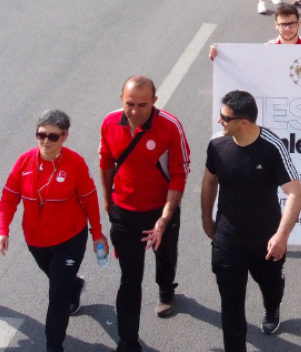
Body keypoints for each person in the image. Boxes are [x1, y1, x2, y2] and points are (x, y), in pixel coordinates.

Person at [0, 110, 108, 352]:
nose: (46, 141)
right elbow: (8, 197)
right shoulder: (25, 161)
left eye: (53, 137)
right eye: (41, 135)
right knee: (60, 281)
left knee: (57, 296)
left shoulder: (75, 163)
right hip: (36, 241)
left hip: (69, 240)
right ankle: (75, 285)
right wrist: (3, 229)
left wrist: (97, 234)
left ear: (65, 136)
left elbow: (89, 199)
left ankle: (54, 347)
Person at [201, 90, 301, 345]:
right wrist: (206, 217)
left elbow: (294, 193)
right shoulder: (217, 144)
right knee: (231, 305)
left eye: (224, 117)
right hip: (227, 239)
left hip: (265, 239)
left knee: (270, 284)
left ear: (242, 122)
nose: (219, 121)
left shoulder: (272, 146)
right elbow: (209, 180)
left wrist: (281, 235)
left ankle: (272, 305)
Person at [99, 76, 191, 351]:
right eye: (130, 104)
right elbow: (105, 161)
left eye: (143, 104)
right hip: (125, 213)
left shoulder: (170, 126)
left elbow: (178, 174)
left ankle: (166, 288)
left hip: (161, 211)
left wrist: (164, 218)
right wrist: (108, 200)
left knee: (165, 256)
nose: (136, 111)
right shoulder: (109, 122)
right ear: (121, 99)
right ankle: (128, 341)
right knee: (130, 277)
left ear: (154, 101)